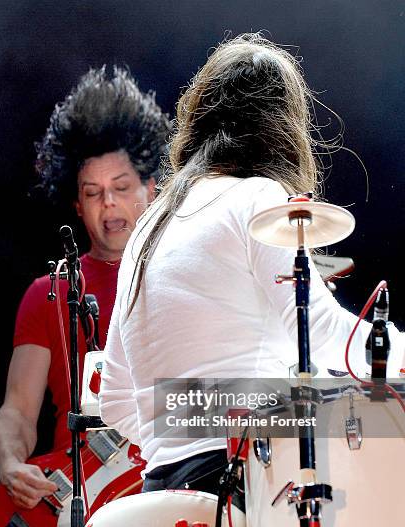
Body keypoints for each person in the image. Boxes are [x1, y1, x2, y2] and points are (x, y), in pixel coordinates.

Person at [98, 34, 405, 500]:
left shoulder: (147, 228)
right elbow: (323, 334)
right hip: (242, 485)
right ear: (281, 128)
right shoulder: (257, 199)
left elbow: (117, 402)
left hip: (160, 488)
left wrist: (191, 424)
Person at [0, 67, 170, 527]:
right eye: (93, 193)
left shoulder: (181, 282)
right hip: (75, 509)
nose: (108, 205)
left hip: (159, 499)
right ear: (76, 203)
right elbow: (18, 411)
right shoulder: (48, 293)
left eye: (121, 189)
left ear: (151, 189)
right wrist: (10, 462)